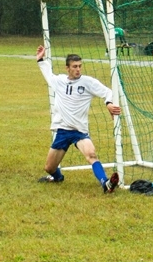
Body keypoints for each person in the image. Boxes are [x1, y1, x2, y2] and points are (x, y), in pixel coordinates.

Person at [34, 45, 121, 193]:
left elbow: (107, 92)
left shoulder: (88, 82)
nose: (78, 69)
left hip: (79, 132)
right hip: (62, 131)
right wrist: (40, 59)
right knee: (49, 168)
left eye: (80, 66)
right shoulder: (59, 81)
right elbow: (48, 73)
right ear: (67, 68)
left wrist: (109, 103)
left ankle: (106, 184)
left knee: (91, 155)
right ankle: (58, 178)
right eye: (74, 66)